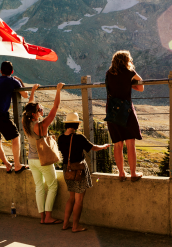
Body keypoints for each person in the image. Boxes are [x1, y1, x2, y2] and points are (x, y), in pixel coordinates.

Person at [58, 112, 109, 233]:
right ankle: (75, 226)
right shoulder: (78, 137)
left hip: (67, 169)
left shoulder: (60, 138)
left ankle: (65, 223)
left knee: (71, 198)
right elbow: (93, 147)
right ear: (76, 125)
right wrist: (104, 146)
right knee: (79, 199)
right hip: (79, 169)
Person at [22, 82, 64, 224]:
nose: (41, 110)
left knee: (39, 187)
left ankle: (42, 217)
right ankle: (48, 217)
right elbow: (55, 107)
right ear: (34, 114)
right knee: (52, 186)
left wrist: (33, 91)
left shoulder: (26, 122)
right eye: (39, 109)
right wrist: (58, 90)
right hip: (42, 160)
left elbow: (29, 105)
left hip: (31, 160)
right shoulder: (42, 125)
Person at [105, 50, 144, 182]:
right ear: (127, 61)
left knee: (117, 144)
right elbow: (141, 86)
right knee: (130, 143)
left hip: (112, 111)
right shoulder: (130, 73)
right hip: (126, 111)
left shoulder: (109, 73)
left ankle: (121, 173)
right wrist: (129, 83)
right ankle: (133, 173)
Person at [0, 61, 28, 173]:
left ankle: (8, 165)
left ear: (0, 71)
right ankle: (17, 165)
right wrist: (20, 81)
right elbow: (25, 95)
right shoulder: (13, 81)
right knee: (16, 136)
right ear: (12, 72)